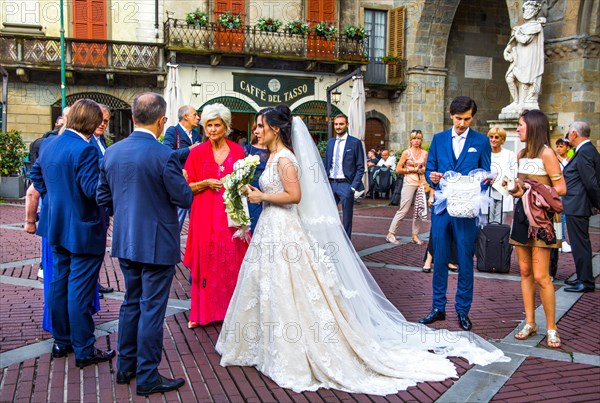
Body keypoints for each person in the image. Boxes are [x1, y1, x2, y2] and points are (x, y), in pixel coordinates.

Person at [215, 105, 506, 395]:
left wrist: (260, 195)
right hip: (271, 227)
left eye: (260, 126)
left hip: (283, 227)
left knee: (290, 286)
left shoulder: (285, 159)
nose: (256, 131)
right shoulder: (274, 156)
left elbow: (294, 196)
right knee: (271, 286)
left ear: (275, 129)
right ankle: (267, 343)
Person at [96, 92, 191, 396]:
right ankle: (148, 374)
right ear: (163, 121)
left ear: (134, 117)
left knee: (131, 303)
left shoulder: (112, 152)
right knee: (152, 309)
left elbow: (102, 198)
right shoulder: (165, 156)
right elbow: (183, 198)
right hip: (158, 244)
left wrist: (124, 212)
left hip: (126, 241)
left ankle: (125, 366)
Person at [29, 99, 114, 368]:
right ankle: (84, 349)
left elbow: (36, 176)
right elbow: (93, 191)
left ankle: (61, 341)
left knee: (58, 284)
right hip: (83, 228)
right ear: (89, 121)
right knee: (79, 288)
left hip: (55, 224)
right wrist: (112, 199)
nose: (102, 123)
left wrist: (55, 199)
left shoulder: (50, 143)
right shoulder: (85, 149)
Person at [420, 96, 492, 331]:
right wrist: (431, 176)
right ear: (451, 115)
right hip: (442, 209)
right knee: (439, 258)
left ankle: (463, 310)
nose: (462, 123)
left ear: (472, 117)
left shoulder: (481, 141)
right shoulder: (439, 139)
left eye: (467, 119)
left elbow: (486, 173)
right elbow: (430, 168)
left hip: (467, 210)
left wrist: (482, 183)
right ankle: (438, 307)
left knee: (464, 260)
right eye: (459, 118)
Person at [183, 103, 248, 328]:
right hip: (204, 214)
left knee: (230, 260)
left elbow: (243, 183)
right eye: (208, 125)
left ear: (226, 126)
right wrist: (205, 183)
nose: (212, 130)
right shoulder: (197, 153)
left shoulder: (238, 151)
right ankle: (201, 313)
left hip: (230, 215)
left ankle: (231, 311)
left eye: (217, 125)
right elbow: (187, 187)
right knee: (206, 261)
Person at [506, 110, 566, 348]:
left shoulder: (547, 153)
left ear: (532, 127)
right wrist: (513, 187)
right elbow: (522, 187)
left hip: (543, 219)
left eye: (520, 125)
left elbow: (561, 187)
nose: (518, 129)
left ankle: (552, 327)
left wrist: (531, 189)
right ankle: (530, 322)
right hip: (522, 216)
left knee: (542, 276)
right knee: (524, 271)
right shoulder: (521, 154)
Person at [562, 121, 600, 293]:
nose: (568, 135)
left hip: (578, 205)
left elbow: (591, 183)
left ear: (574, 134)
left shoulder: (584, 152)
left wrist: (598, 203)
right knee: (578, 243)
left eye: (569, 132)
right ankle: (581, 276)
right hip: (576, 204)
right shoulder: (586, 150)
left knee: (580, 244)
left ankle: (586, 281)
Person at [324, 114, 365, 238]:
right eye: (336, 124)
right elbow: (326, 163)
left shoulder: (355, 142)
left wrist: (353, 187)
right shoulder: (330, 142)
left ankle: (346, 244)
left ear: (347, 125)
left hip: (346, 185)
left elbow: (360, 167)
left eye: (341, 124)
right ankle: (332, 239)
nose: (338, 126)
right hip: (331, 183)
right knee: (328, 214)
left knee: (347, 218)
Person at [501, 0, 545, 114]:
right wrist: (507, 51)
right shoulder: (521, 28)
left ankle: (523, 103)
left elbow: (524, 40)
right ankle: (516, 101)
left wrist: (517, 33)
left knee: (525, 81)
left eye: (529, 9)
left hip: (529, 58)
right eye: (525, 9)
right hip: (518, 58)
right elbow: (511, 44)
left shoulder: (536, 26)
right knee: (509, 78)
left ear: (535, 11)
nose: (526, 12)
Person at [163, 105, 201, 232]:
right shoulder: (173, 131)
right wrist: (190, 149)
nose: (198, 118)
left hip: (195, 182)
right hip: (179, 180)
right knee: (177, 219)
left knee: (196, 218)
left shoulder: (197, 135)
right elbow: (167, 154)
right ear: (185, 116)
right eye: (195, 115)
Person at [386, 130, 428, 245]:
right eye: (414, 138)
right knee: (403, 209)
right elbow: (398, 169)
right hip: (409, 182)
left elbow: (427, 168)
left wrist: (423, 170)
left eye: (418, 138)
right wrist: (412, 170)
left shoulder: (424, 153)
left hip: (421, 183)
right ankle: (391, 234)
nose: (416, 141)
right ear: (410, 140)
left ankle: (415, 235)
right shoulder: (406, 153)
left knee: (419, 209)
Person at [91, 104, 114, 296]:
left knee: (100, 247)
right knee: (94, 247)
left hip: (104, 204)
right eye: (100, 119)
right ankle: (92, 284)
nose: (103, 124)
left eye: (106, 121)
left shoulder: (101, 141)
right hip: (95, 202)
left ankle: (95, 281)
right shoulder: (87, 141)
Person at [487, 127, 517, 223]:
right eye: (491, 137)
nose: (493, 140)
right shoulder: (485, 154)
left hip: (503, 191)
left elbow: (514, 174)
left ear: (502, 140)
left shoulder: (510, 155)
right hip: (488, 192)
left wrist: (498, 181)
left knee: (500, 223)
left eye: (496, 137)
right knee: (487, 223)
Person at [244, 125, 268, 234]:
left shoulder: (274, 151)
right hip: (252, 195)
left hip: (269, 194)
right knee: (253, 228)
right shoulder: (248, 149)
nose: (257, 131)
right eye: (256, 128)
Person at [555, 137, 572, 253]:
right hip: (555, 191)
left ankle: (563, 240)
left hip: (566, 191)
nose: (558, 149)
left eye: (561, 146)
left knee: (563, 216)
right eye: (557, 146)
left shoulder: (570, 160)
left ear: (567, 148)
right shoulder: (554, 159)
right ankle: (559, 239)